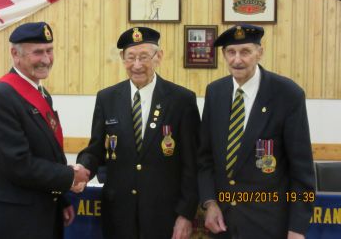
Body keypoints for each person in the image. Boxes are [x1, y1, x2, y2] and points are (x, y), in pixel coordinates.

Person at [76, 26, 200, 239]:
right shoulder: (107, 98)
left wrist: (186, 214)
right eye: (130, 57)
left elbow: (193, 163)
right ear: (122, 59)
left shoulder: (181, 100)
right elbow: (96, 148)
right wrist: (83, 168)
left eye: (144, 57)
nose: (137, 65)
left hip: (164, 217)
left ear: (158, 56)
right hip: (118, 215)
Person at [198, 24, 315, 239]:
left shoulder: (287, 94)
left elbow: (302, 171)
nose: (237, 60)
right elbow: (205, 158)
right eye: (231, 52)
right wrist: (209, 203)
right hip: (223, 224)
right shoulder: (215, 92)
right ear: (224, 54)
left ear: (259, 53)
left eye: (245, 52)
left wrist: (297, 229)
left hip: (268, 226)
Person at [0, 22, 90, 239]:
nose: (46, 59)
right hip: (15, 220)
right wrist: (70, 176)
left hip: (42, 211)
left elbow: (48, 153)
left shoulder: (42, 93)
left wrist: (61, 200)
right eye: (38, 52)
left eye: (49, 50)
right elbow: (17, 164)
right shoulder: (1, 96)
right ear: (14, 54)